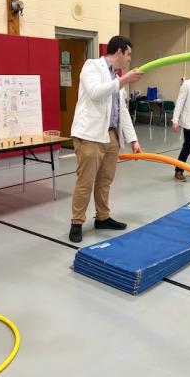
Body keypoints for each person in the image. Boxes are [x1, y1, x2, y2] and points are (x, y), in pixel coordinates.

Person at [69, 36, 143, 243]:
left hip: (111, 135)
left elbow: (123, 111)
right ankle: (77, 222)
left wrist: (133, 140)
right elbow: (95, 93)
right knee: (86, 181)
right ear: (119, 52)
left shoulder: (118, 78)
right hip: (90, 135)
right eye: (128, 54)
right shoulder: (91, 66)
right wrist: (122, 81)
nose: (129, 59)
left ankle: (102, 217)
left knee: (105, 181)